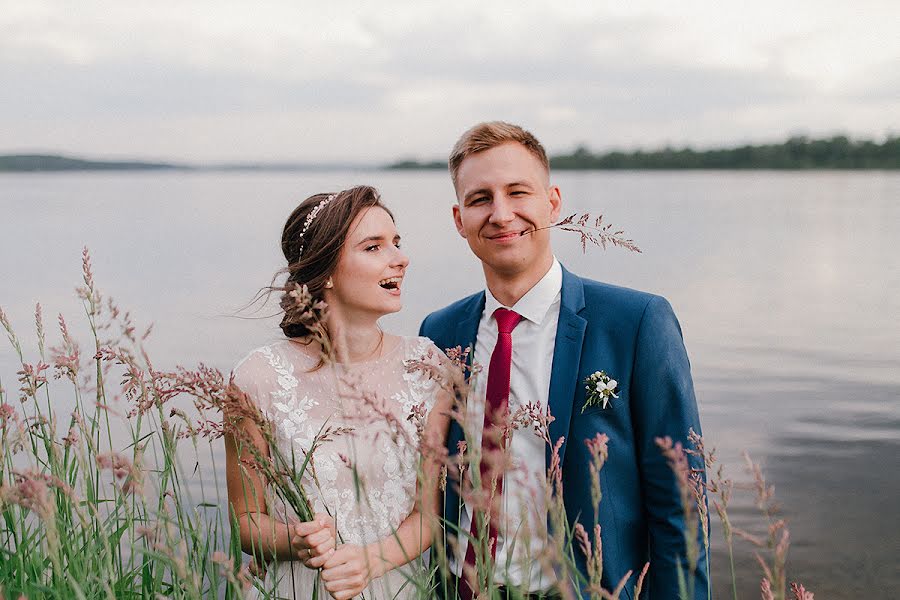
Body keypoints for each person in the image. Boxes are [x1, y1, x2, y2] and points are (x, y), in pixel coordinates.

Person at [419, 122, 709, 599]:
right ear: (459, 219)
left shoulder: (636, 322)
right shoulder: (439, 332)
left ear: (552, 203)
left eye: (518, 192)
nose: (501, 213)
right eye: (480, 199)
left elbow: (681, 504)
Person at [226, 186, 450, 600]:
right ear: (327, 271)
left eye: (397, 243)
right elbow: (246, 522)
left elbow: (429, 514)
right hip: (296, 588)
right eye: (374, 246)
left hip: (399, 586)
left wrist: (373, 560)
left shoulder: (428, 368)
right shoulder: (258, 378)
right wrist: (294, 540)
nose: (400, 258)